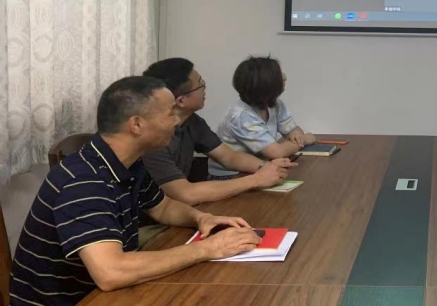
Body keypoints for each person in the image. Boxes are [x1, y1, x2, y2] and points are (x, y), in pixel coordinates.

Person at [9, 77, 262, 306]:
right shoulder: (84, 181)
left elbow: (163, 207)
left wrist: (202, 218)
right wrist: (207, 249)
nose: (176, 120)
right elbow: (111, 272)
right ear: (137, 125)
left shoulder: (127, 162)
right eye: (170, 113)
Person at [142, 58, 296, 205]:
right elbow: (186, 194)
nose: (205, 88)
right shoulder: (151, 140)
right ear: (181, 100)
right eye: (200, 84)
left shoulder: (192, 121)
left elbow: (229, 157)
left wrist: (267, 167)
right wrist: (257, 179)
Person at [208, 56, 317, 178]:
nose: (284, 79)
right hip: (231, 175)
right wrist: (305, 139)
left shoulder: (275, 104)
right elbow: (276, 152)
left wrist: (296, 134)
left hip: (260, 166)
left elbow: (292, 129)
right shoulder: (241, 116)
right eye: (281, 77)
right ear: (268, 86)